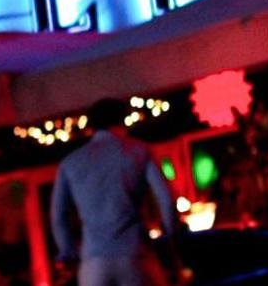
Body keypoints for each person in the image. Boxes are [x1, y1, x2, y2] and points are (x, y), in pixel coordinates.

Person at [49, 98, 182, 286]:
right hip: (135, 255)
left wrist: (67, 250)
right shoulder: (140, 150)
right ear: (122, 120)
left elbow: (58, 215)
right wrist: (170, 234)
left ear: (91, 126)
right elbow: (166, 199)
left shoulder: (70, 163)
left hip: (93, 263)